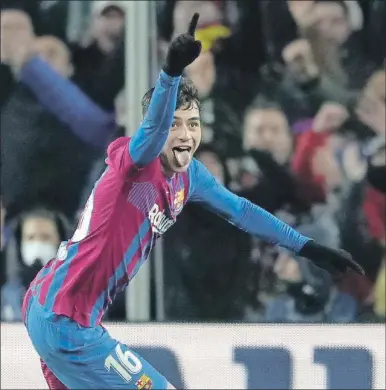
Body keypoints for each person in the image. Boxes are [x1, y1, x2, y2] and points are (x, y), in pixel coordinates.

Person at [22, 14, 363, 390]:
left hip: (56, 306)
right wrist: (169, 73)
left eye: (193, 124)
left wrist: (306, 246)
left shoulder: (191, 176)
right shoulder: (134, 164)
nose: (185, 134)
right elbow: (151, 133)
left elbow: (242, 211)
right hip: (64, 318)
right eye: (176, 124)